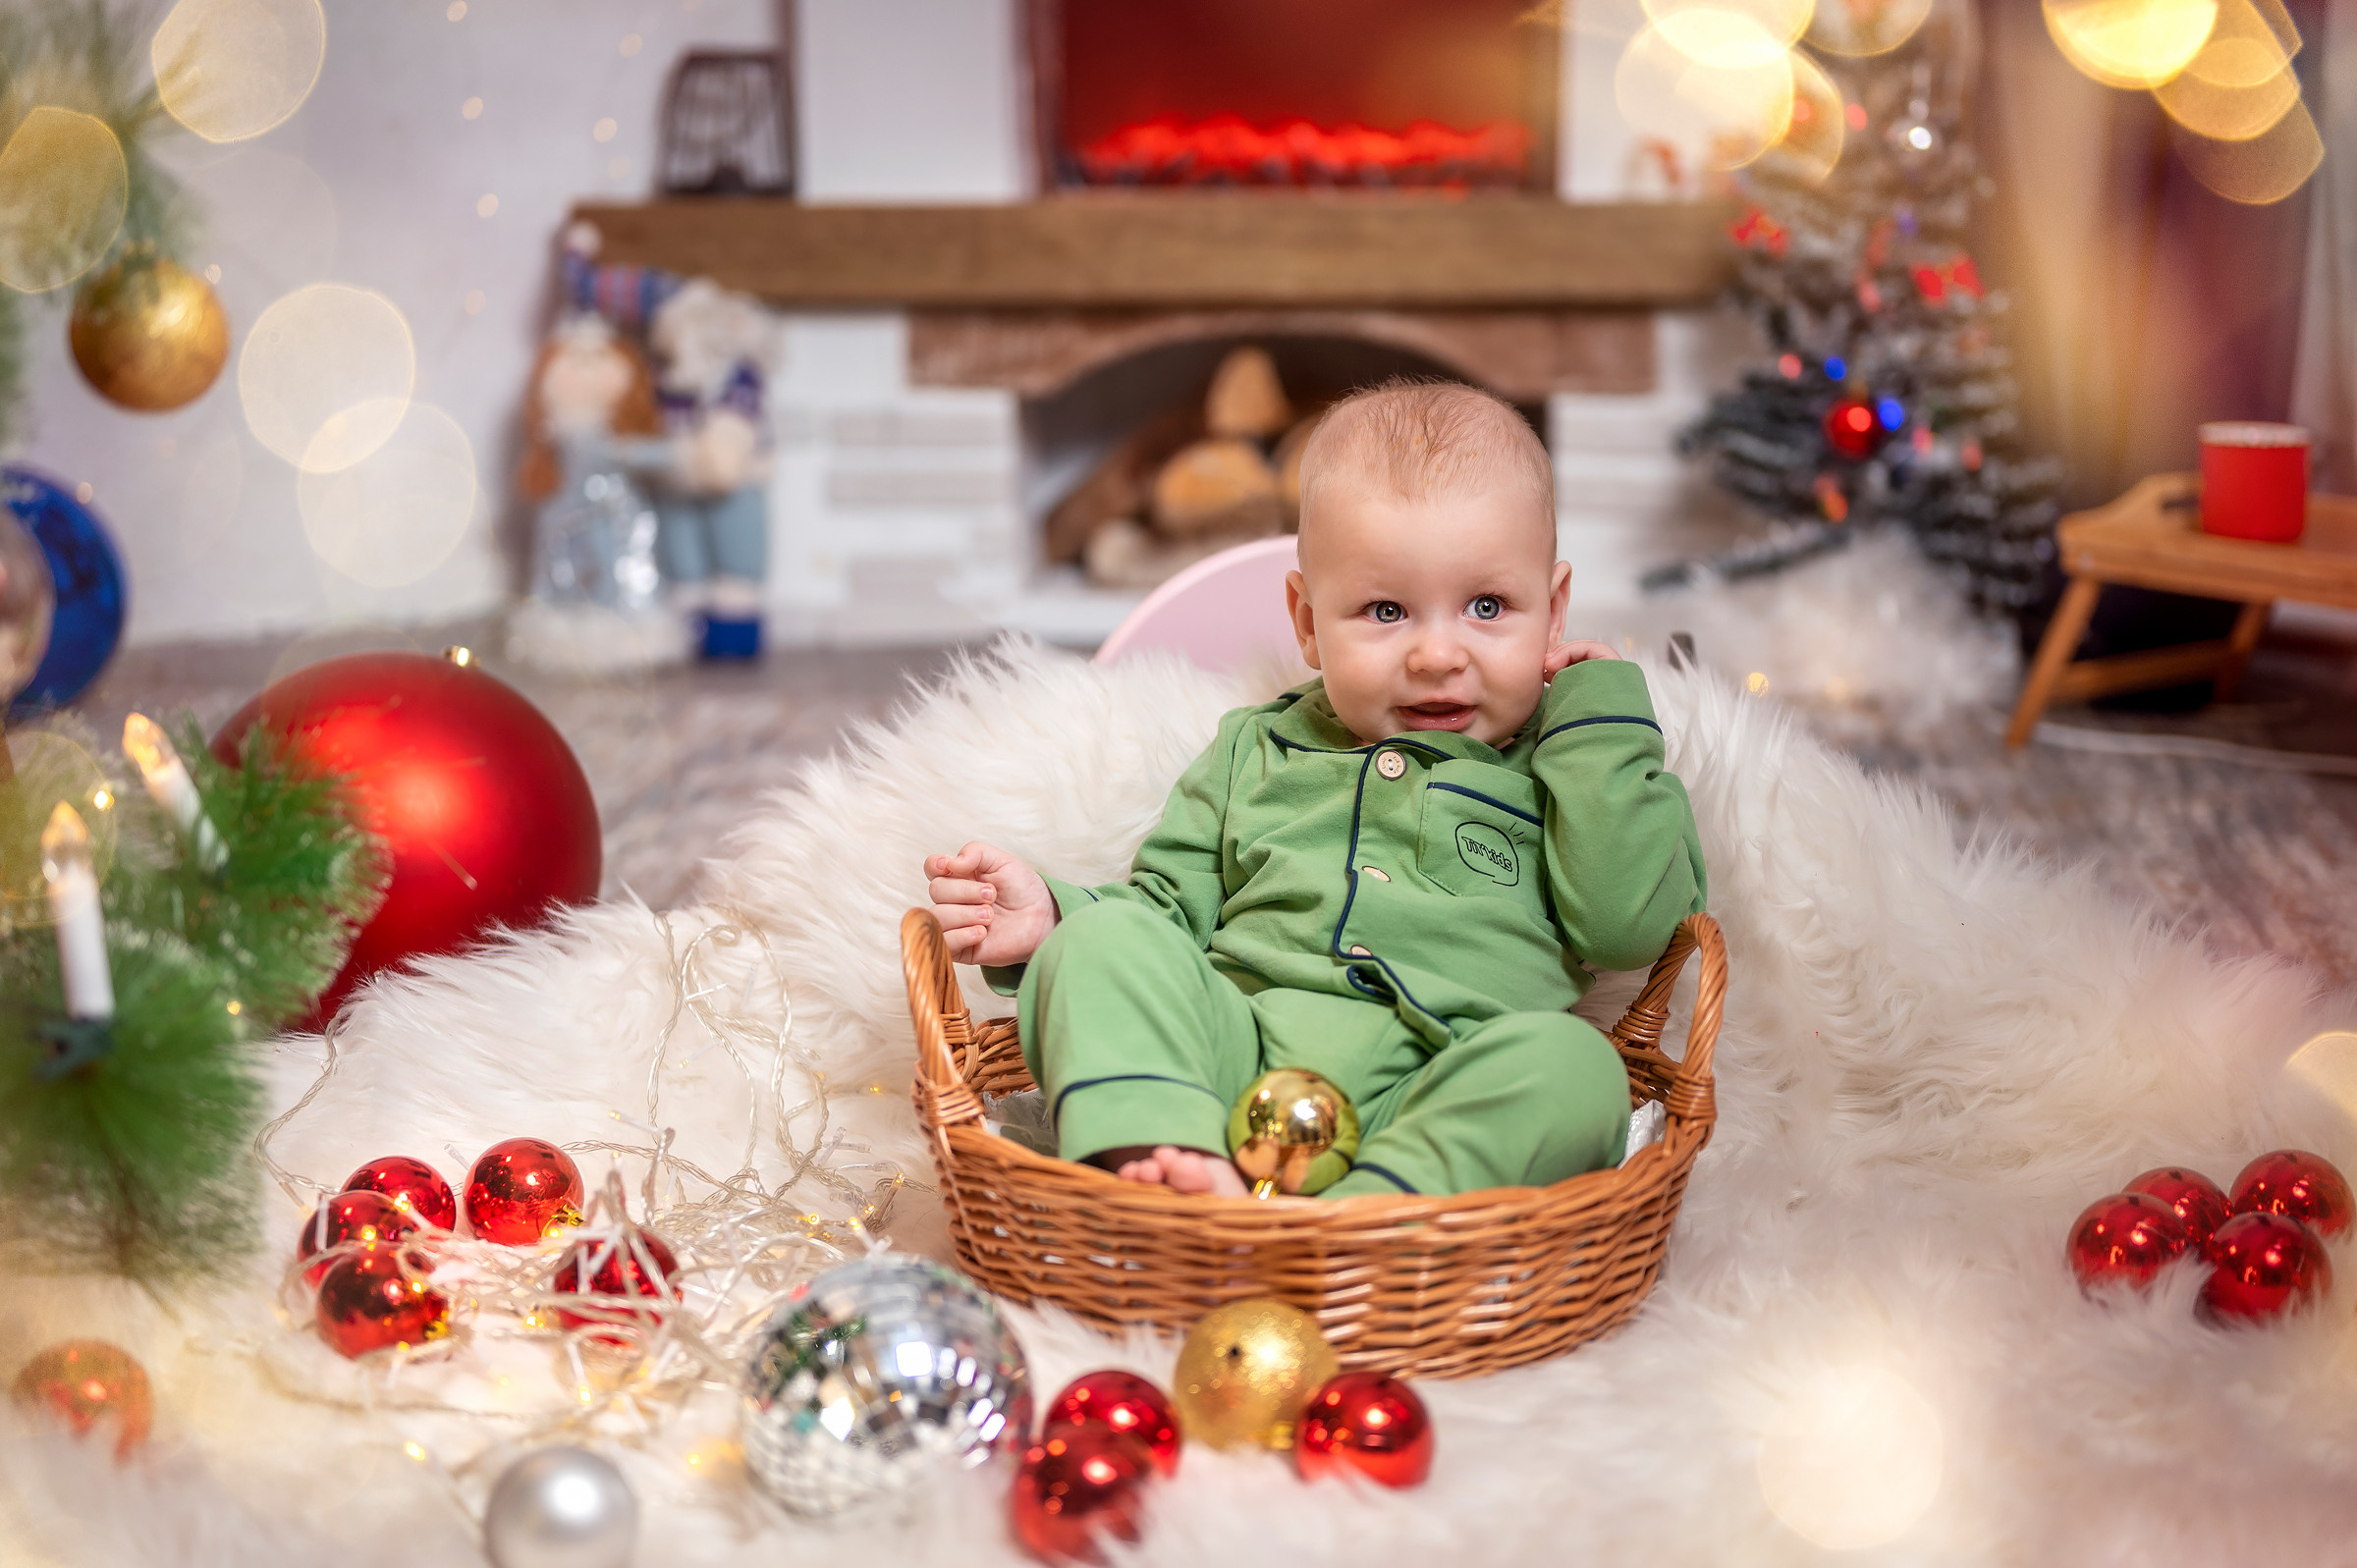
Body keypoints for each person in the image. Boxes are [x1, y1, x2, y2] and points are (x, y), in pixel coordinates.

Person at [924, 379, 1707, 1199]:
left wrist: (1600, 716)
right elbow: (1163, 916)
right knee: (1097, 947)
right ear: (1305, 621)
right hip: (1238, 1061)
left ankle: (1362, 1216)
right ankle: (1172, 1161)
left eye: (1487, 606)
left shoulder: (1565, 763)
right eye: (1385, 610)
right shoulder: (1254, 749)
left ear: (1553, 610)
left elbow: (1627, 926)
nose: (1438, 656)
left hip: (1442, 1082)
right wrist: (1054, 918)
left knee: (1578, 1069)